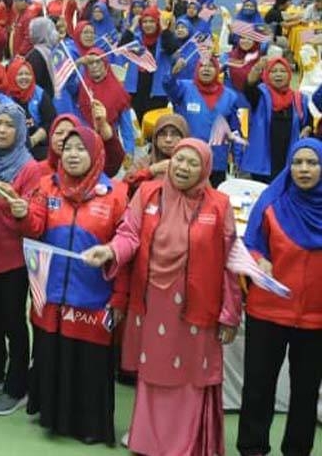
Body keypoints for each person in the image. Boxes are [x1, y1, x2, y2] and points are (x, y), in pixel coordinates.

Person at [83, 139, 241, 456]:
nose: (183, 167)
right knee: (154, 373)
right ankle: (149, 442)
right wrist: (111, 250)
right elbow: (129, 234)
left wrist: (230, 312)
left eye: (192, 163)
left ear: (206, 168)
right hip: (153, 302)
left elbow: (230, 262)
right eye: (178, 159)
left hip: (198, 308)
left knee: (190, 377)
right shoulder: (148, 194)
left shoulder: (219, 204)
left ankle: (186, 446)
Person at [17, 126, 128, 446]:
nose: (73, 154)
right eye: (67, 148)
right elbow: (35, 227)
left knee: (89, 364)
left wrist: (119, 298)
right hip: (52, 296)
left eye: (81, 149)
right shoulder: (46, 187)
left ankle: (89, 426)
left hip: (94, 300)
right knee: (54, 357)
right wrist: (23, 215)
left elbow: (126, 248)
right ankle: (53, 418)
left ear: (96, 156)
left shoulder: (117, 194)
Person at [237, 139, 322, 456]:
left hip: (316, 318)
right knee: (258, 386)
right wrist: (259, 258)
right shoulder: (271, 203)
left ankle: (298, 450)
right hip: (267, 312)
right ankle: (252, 447)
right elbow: (249, 245)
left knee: (305, 391)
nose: (303, 169)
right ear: (289, 165)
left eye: (312, 163)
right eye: (297, 162)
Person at [0, 103, 48, 414]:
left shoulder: (29, 168)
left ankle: (17, 385)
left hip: (12, 260)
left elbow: (32, 217)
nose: (1, 130)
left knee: (12, 322)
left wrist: (16, 203)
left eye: (8, 125)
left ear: (20, 131)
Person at [164, 56, 243, 186]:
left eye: (211, 66)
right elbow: (168, 85)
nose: (206, 69)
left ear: (218, 70)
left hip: (216, 161)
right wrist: (172, 74)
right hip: (186, 160)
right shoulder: (184, 88)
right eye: (202, 65)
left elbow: (235, 130)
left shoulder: (230, 96)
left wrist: (238, 160)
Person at [240, 57, 312, 182]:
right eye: (273, 71)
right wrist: (257, 68)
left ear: (289, 74)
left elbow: (308, 123)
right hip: (262, 164)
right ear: (267, 74)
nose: (278, 74)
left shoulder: (299, 99)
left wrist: (308, 129)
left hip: (288, 162)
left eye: (283, 71)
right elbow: (249, 86)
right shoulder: (260, 95)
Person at [123, 113, 188, 196]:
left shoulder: (193, 164)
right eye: (163, 134)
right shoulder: (145, 162)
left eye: (174, 134)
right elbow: (125, 185)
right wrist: (152, 170)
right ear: (155, 138)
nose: (168, 139)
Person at [6, 56, 55, 161]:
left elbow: (50, 122)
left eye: (27, 74)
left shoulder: (40, 94)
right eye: (20, 74)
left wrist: (34, 140)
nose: (24, 77)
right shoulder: (5, 97)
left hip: (38, 145)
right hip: (11, 148)